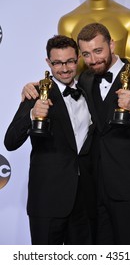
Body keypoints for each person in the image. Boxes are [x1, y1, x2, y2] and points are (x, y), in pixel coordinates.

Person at [21, 23, 130, 245]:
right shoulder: (87, 79)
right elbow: (61, 80)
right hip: (91, 191)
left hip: (128, 189)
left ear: (112, 44)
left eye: (98, 51)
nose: (93, 60)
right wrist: (31, 87)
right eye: (86, 54)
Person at [4, 35, 96, 245]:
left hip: (84, 201)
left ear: (78, 59)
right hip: (47, 201)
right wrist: (31, 115)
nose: (64, 68)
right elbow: (10, 141)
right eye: (57, 63)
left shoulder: (87, 91)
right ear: (48, 63)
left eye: (70, 61)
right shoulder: (36, 93)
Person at [58, 0, 130, 70]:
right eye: (86, 54)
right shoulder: (67, 22)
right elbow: (68, 66)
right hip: (83, 82)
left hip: (122, 81)